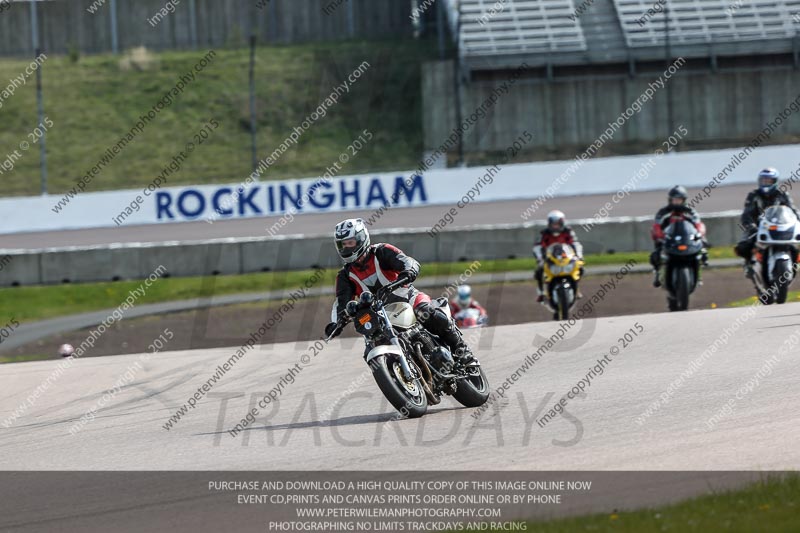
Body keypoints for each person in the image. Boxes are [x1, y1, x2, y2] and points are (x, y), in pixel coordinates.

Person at [325, 218, 476, 364]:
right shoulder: (345, 275)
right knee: (371, 346)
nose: (346, 248)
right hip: (380, 316)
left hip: (407, 298)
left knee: (425, 311)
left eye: (350, 243)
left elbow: (407, 262)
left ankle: (462, 351)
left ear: (361, 239)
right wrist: (336, 323)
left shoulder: (381, 251)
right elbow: (341, 302)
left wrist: (408, 271)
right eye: (342, 245)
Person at [734, 167, 799, 278]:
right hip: (759, 227)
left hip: (778, 227)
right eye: (763, 180)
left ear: (775, 182)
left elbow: (792, 210)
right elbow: (747, 213)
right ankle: (749, 264)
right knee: (744, 246)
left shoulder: (782, 194)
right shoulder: (753, 195)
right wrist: (750, 225)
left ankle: (794, 265)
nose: (766, 183)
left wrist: (797, 220)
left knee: (793, 246)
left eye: (769, 181)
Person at [649, 185, 708, 287]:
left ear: (684, 200)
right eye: (674, 199)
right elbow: (656, 226)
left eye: (679, 199)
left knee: (702, 252)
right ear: (670, 200)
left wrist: (699, 235)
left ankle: (698, 276)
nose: (676, 202)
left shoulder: (691, 212)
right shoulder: (663, 212)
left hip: (687, 239)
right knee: (656, 255)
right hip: (668, 239)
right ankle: (658, 273)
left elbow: (699, 225)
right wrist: (660, 236)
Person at [533, 210, 583, 302]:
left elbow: (575, 244)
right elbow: (538, 247)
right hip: (549, 258)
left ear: (562, 223)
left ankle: (576, 289)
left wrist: (579, 256)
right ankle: (541, 293)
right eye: (553, 224)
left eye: (558, 224)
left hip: (566, 257)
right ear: (549, 223)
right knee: (539, 272)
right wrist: (540, 258)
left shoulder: (568, 231)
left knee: (580, 268)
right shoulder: (544, 233)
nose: (555, 226)